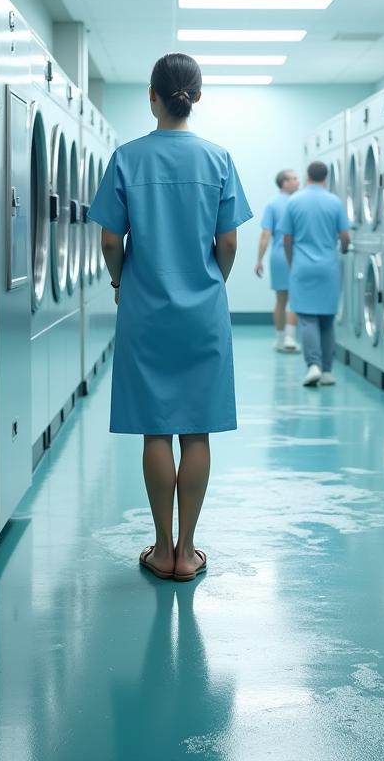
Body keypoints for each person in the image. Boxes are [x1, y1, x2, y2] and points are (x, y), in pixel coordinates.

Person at [89, 53, 253, 582]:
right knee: (196, 432)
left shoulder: (127, 158)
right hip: (203, 310)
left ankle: (162, 550)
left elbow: (111, 240)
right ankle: (189, 549)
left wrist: (120, 282)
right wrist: (213, 281)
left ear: (152, 96)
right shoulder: (219, 159)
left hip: (144, 308)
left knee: (155, 431)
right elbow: (227, 241)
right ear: (197, 98)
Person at [282, 161, 350, 388]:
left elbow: (287, 239)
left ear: (307, 175)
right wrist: (343, 250)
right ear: (326, 177)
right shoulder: (335, 202)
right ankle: (328, 371)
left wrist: (293, 262)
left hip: (302, 266)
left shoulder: (294, 201)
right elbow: (345, 237)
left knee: (307, 318)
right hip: (328, 267)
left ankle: (313, 365)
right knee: (327, 319)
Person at [255, 169, 301, 352]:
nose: (298, 182)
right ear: (284, 183)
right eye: (294, 179)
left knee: (280, 299)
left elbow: (266, 235)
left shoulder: (272, 204)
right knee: (295, 298)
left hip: (278, 257)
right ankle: (290, 338)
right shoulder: (298, 203)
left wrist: (259, 260)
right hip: (297, 255)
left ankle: (280, 339)